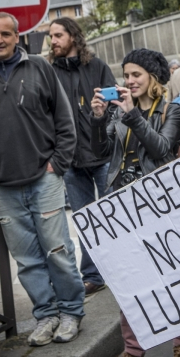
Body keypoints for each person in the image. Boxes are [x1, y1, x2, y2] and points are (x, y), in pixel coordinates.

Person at [0, 12, 84, 347]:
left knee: (58, 251)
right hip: (2, 187)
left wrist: (58, 163)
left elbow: (64, 118)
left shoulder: (40, 69)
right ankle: (46, 316)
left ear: (17, 37)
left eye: (6, 34)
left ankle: (72, 311)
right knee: (28, 260)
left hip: (44, 180)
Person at [90, 48, 180, 357]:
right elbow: (103, 151)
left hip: (158, 199)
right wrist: (97, 120)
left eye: (137, 75)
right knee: (128, 277)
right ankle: (133, 348)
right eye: (127, 75)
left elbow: (161, 148)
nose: (130, 81)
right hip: (122, 199)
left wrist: (133, 114)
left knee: (174, 272)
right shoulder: (119, 110)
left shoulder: (170, 110)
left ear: (153, 77)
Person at [49, 17, 116, 296]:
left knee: (114, 215)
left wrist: (102, 121)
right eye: (50, 37)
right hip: (71, 161)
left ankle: (125, 268)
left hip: (103, 155)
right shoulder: (49, 72)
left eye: (57, 35)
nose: (52, 41)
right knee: (85, 219)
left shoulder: (97, 66)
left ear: (73, 37)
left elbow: (115, 104)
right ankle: (92, 274)